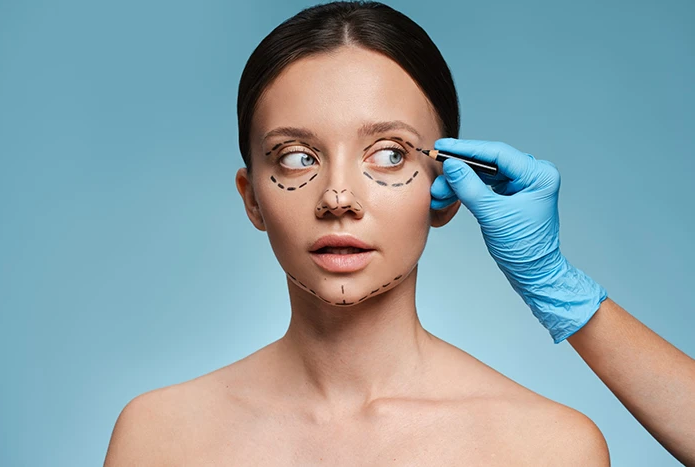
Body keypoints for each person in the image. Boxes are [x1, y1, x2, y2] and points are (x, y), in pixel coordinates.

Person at [104, 1, 694, 465]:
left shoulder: (548, 448)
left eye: (388, 154)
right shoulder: (156, 438)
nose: (339, 198)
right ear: (251, 197)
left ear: (448, 191)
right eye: (295, 157)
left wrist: (557, 285)